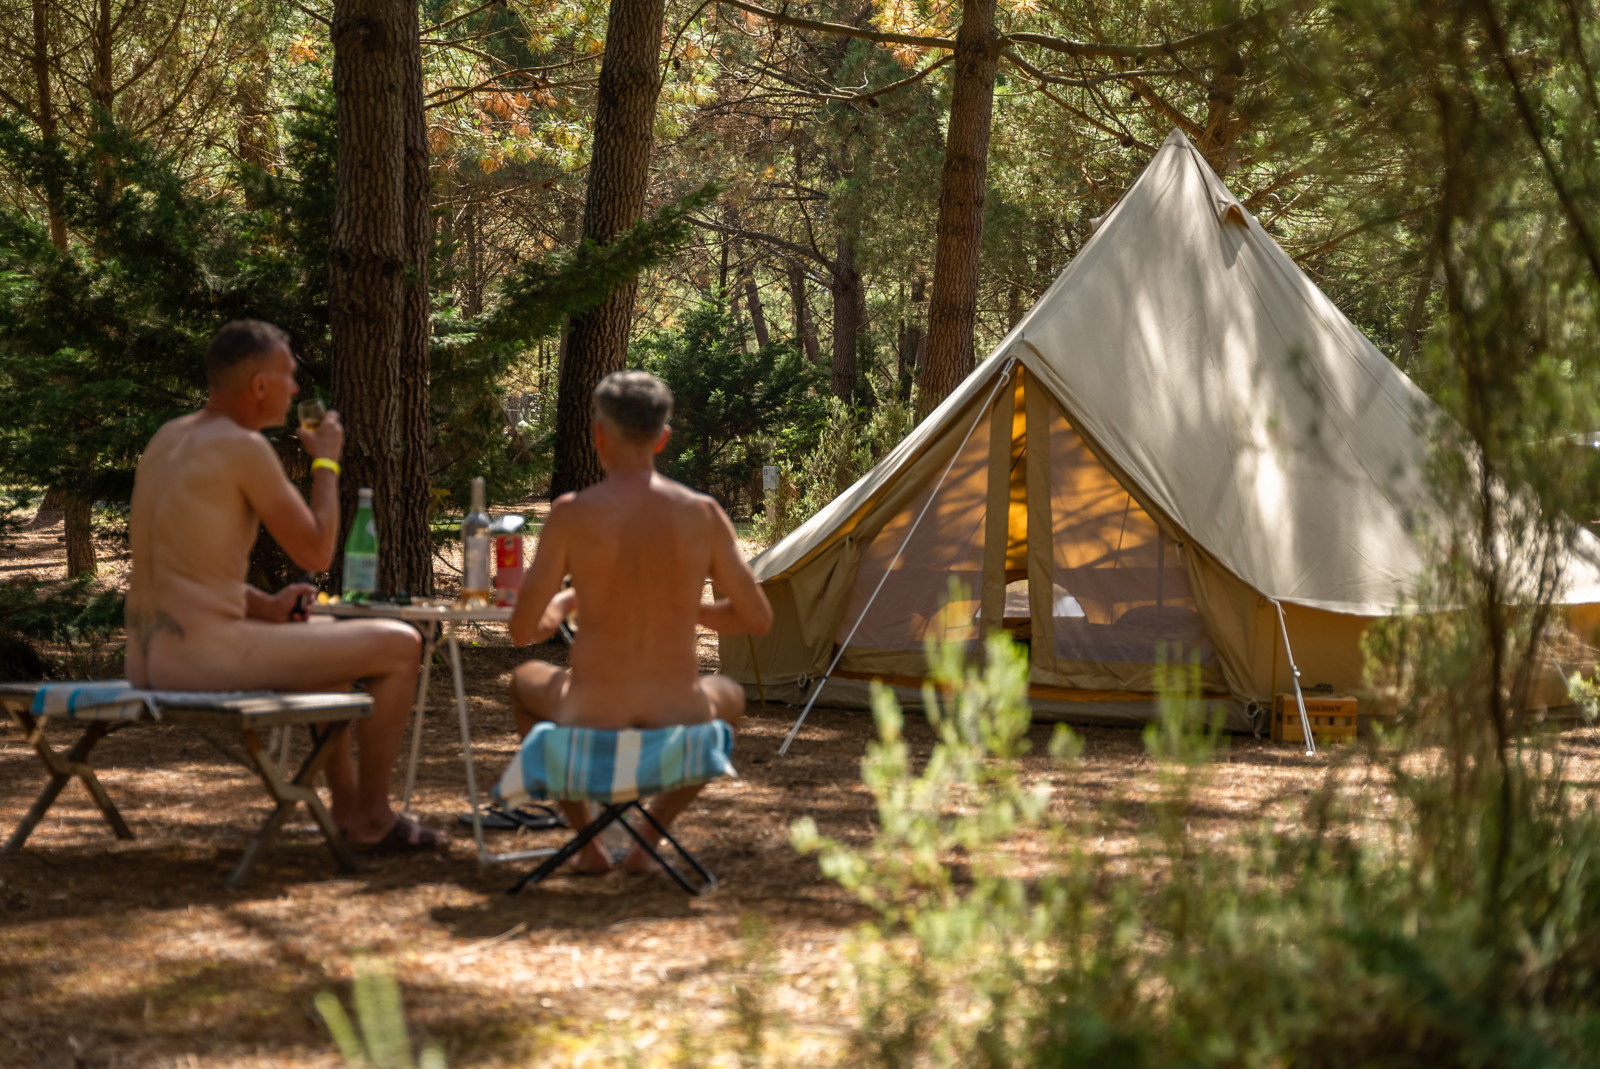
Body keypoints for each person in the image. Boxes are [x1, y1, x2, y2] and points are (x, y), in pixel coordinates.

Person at [125, 319, 445, 851]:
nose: (295, 389)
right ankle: (371, 816)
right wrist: (326, 460)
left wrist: (268, 606)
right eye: (288, 376)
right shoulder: (242, 446)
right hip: (204, 658)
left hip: (146, 656)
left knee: (315, 630)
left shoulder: (168, 438)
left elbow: (176, 571)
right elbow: (317, 552)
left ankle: (346, 809)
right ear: (258, 386)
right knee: (401, 643)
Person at [507, 370, 772, 875]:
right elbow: (757, 619)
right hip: (679, 721)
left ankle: (588, 846)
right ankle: (646, 840)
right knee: (729, 696)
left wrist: (562, 605)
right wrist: (684, 607)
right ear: (663, 438)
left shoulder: (571, 514)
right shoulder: (704, 514)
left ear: (597, 434)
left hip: (587, 719)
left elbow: (522, 631)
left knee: (525, 681)